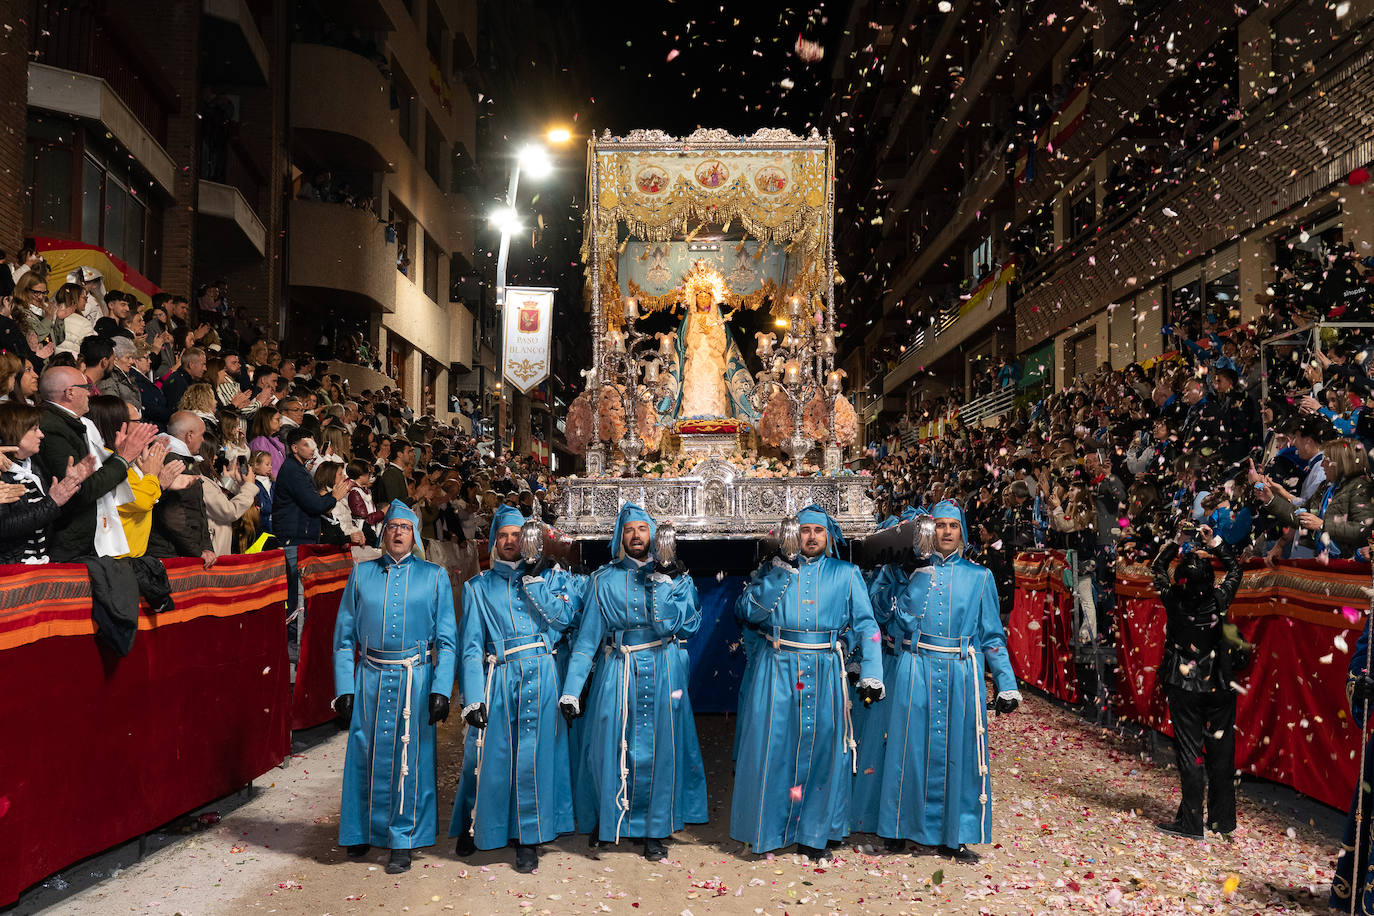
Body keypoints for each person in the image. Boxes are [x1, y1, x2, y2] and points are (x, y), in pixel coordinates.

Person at [729, 505, 884, 860]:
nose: (811, 537)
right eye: (804, 530)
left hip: (826, 670)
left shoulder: (846, 573)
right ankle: (768, 830)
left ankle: (814, 834)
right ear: (792, 534)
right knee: (774, 748)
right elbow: (746, 612)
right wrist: (779, 573)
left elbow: (867, 625)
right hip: (777, 669)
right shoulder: (772, 571)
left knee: (824, 752)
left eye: (818, 530)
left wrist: (872, 671)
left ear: (828, 536)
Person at [873, 500, 1020, 862]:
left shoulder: (980, 577)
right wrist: (909, 579)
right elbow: (894, 621)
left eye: (953, 525)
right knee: (907, 748)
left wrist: (1006, 683)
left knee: (959, 753)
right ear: (929, 530)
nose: (947, 532)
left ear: (962, 532)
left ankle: (954, 835)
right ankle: (898, 827)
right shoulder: (911, 573)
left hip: (961, 674)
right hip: (915, 666)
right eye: (940, 525)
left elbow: (992, 636)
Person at [558, 503, 707, 860]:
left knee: (661, 750)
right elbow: (587, 641)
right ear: (620, 537)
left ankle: (654, 829)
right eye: (629, 530)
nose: (636, 535)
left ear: (654, 535)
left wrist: (667, 583)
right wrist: (571, 691)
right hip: (617, 669)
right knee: (607, 745)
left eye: (643, 528)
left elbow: (688, 627)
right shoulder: (602, 580)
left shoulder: (678, 579)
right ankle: (608, 819)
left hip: (663, 669)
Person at [450, 507, 582, 872]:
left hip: (542, 674)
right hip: (499, 676)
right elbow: (471, 647)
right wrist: (473, 697)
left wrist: (536, 581)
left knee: (533, 758)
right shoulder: (478, 587)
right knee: (485, 756)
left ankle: (528, 837)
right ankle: (478, 823)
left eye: (517, 534)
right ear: (494, 541)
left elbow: (564, 621)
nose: (510, 541)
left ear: (529, 539)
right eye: (503, 535)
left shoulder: (551, 578)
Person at [331, 501, 457, 874]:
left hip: (415, 680)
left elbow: (448, 641)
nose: (398, 532)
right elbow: (343, 639)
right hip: (369, 677)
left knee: (410, 758)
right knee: (363, 752)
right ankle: (360, 830)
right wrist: (344, 687)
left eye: (405, 526)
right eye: (392, 526)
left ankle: (403, 838)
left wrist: (441, 688)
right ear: (383, 533)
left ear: (414, 534)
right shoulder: (361, 574)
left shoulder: (434, 576)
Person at [1150, 523, 1242, 840]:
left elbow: (1157, 566)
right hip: (1219, 684)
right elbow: (1235, 570)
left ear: (1180, 580)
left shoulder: (1172, 598)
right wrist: (1213, 541)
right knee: (1221, 753)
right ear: (1209, 580)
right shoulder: (1219, 598)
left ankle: (1191, 823)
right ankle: (1221, 821)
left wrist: (1178, 540)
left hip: (1185, 684)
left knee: (1191, 753)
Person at [33, 366, 157, 561]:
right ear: (69, 392)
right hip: (67, 543)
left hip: (78, 541)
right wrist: (123, 458)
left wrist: (118, 457)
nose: (90, 392)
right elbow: (82, 490)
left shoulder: (69, 423)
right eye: (86, 387)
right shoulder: (52, 428)